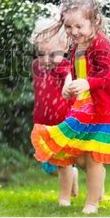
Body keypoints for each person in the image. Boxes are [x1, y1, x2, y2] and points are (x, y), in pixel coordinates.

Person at [31, 0, 110, 214]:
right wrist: (71, 88)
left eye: (78, 26)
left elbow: (108, 75)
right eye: (68, 27)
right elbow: (77, 74)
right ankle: (94, 195)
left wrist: (87, 84)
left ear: (94, 21)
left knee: (94, 158)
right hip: (90, 107)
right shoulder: (77, 46)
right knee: (82, 155)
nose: (73, 31)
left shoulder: (100, 44)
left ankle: (91, 204)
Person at [30, 16, 79, 206]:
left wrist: (68, 86)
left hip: (62, 124)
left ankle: (64, 199)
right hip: (43, 125)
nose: (47, 60)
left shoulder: (63, 67)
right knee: (48, 166)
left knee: (63, 162)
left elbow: (68, 78)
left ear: (65, 49)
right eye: (41, 54)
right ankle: (72, 174)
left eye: (52, 54)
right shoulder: (37, 67)